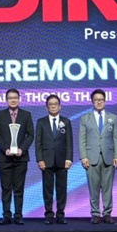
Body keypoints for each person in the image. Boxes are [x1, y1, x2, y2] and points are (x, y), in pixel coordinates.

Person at [79, 89, 117, 224]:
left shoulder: (113, 117)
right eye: (96, 100)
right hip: (91, 158)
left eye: (101, 100)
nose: (99, 102)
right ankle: (95, 213)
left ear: (105, 101)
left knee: (108, 188)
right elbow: (82, 139)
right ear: (92, 102)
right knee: (94, 188)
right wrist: (83, 157)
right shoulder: (85, 118)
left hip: (109, 157)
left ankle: (107, 213)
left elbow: (116, 138)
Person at [0, 89, 34, 225]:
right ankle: (6, 215)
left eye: (15, 97)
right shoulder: (0, 115)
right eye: (10, 98)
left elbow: (30, 134)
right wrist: (5, 148)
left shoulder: (26, 115)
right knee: (6, 189)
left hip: (21, 158)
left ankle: (18, 215)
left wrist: (22, 149)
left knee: (19, 189)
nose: (13, 100)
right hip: (4, 158)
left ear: (19, 99)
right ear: (6, 100)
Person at [35, 94, 73, 224]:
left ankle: (61, 214)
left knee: (61, 189)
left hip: (62, 161)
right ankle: (49, 215)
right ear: (46, 107)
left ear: (60, 106)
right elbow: (38, 143)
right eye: (50, 104)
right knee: (48, 189)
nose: (53, 106)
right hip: (46, 161)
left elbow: (69, 142)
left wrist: (69, 159)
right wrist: (40, 159)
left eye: (55, 104)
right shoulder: (41, 122)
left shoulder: (66, 122)